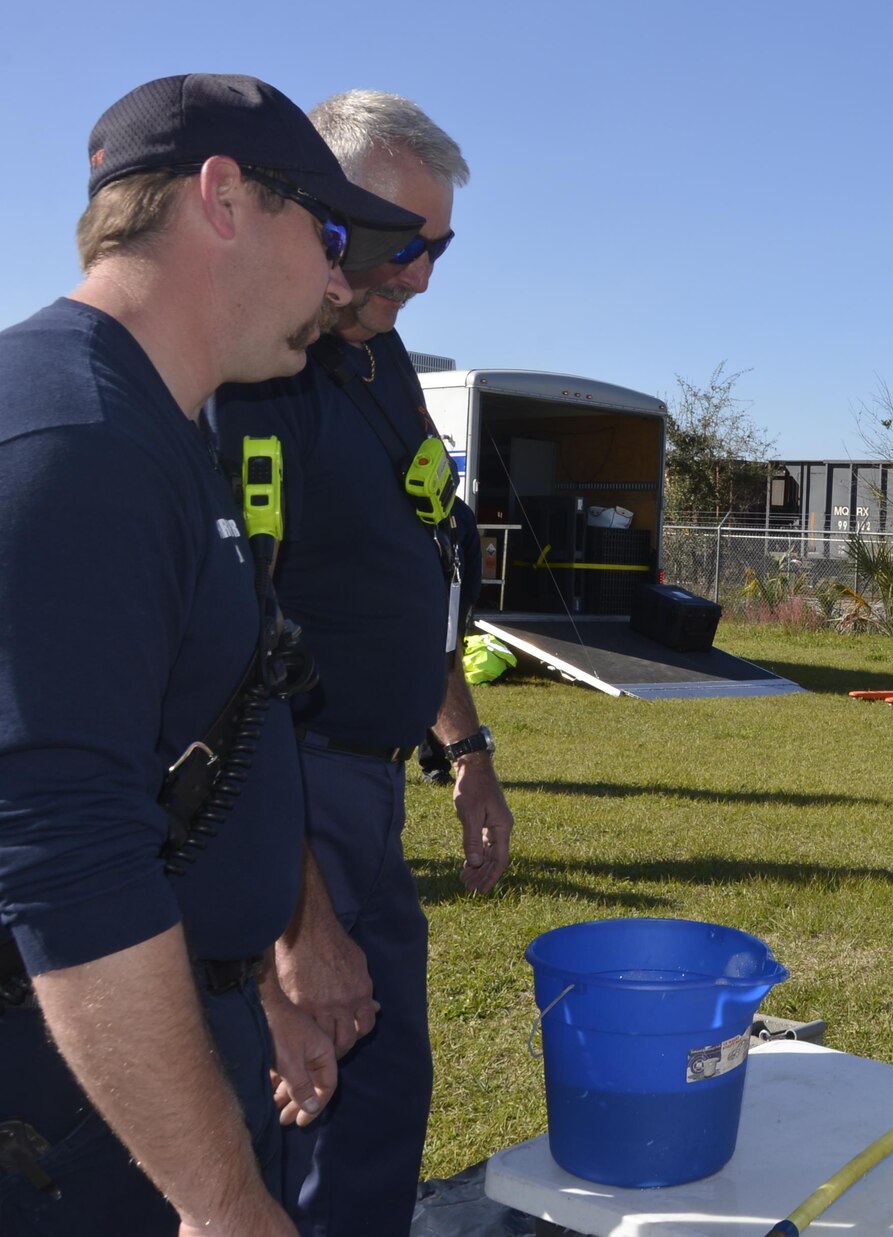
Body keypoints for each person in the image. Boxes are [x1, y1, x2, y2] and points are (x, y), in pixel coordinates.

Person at [0, 74, 421, 1234]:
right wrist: (224, 1196)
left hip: (161, 1042)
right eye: (327, 234)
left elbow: (194, 747)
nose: (342, 280)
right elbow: (67, 863)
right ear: (224, 198)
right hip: (67, 1112)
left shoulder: (154, 424)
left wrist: (244, 986)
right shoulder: (73, 443)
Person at [210, 90, 512, 1236]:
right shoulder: (256, 379)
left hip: (370, 782)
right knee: (310, 1104)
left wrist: (467, 748)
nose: (422, 273)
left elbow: (416, 567)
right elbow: (224, 660)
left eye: (438, 247)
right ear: (319, 219)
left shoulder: (378, 365)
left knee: (383, 1093)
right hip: (287, 786)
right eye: (401, 243)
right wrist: (297, 919)